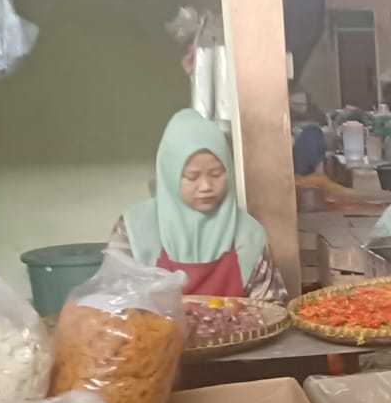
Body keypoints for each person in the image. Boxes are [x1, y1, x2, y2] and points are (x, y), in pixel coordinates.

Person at [109, 108, 288, 301]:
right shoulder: (134, 229)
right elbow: (113, 302)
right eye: (192, 176)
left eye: (216, 174)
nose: (206, 186)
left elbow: (271, 308)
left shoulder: (248, 234)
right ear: (170, 176)